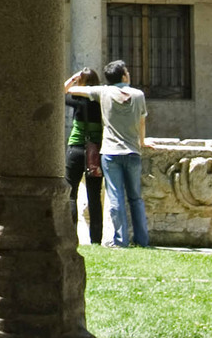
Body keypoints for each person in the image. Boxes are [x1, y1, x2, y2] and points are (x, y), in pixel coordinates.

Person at [64, 59, 150, 248]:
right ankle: (130, 240)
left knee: (87, 194)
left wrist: (74, 79)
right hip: (114, 151)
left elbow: (65, 91)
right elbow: (142, 121)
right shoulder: (125, 96)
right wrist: (142, 142)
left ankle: (112, 240)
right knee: (116, 196)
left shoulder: (95, 94)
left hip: (94, 151)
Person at [64, 65, 105, 246]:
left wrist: (73, 79)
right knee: (94, 195)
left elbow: (59, 91)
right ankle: (96, 239)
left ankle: (72, 236)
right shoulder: (102, 101)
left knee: (71, 193)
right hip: (94, 151)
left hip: (76, 148)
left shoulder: (76, 99)